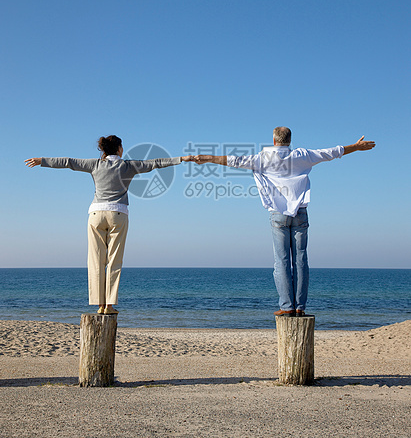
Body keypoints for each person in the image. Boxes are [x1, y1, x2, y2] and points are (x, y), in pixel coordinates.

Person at [192, 128, 375, 317]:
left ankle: (287, 306)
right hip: (300, 213)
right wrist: (356, 146)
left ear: (273, 140)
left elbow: (232, 160)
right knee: (301, 260)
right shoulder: (302, 155)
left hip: (278, 215)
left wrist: (204, 158)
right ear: (289, 140)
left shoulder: (262, 158)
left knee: (282, 260)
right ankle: (300, 307)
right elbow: (332, 152)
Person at [25, 135, 191, 315]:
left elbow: (68, 162)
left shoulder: (95, 165)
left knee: (95, 260)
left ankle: (99, 304)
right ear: (119, 148)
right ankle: (109, 305)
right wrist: (181, 159)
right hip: (118, 214)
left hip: (96, 214)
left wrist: (42, 161)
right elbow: (155, 163)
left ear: (103, 150)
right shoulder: (128, 165)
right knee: (114, 260)